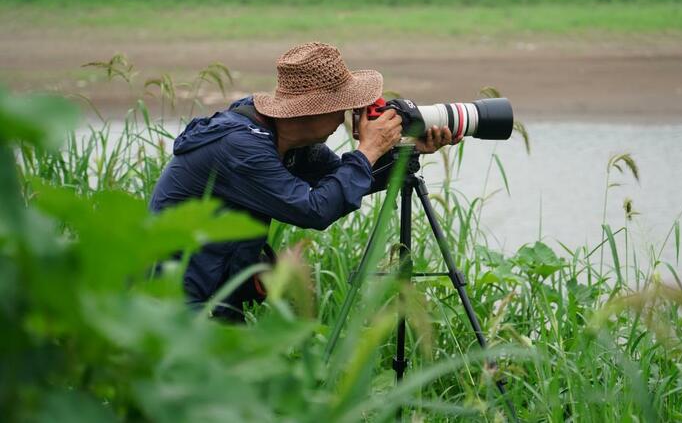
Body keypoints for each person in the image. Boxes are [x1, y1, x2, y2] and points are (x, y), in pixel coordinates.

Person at [149, 42, 456, 321]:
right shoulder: (242, 147)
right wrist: (369, 148)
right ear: (315, 109)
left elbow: (342, 183)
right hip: (174, 303)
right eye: (343, 106)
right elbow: (314, 210)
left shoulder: (284, 139)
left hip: (216, 298)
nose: (346, 117)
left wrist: (407, 151)